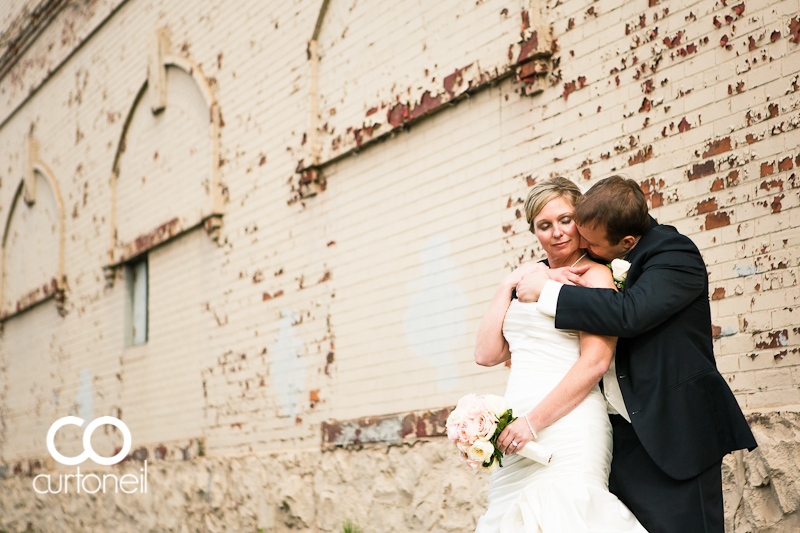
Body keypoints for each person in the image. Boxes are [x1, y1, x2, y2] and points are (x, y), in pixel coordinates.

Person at [515, 176, 757, 533]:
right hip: (614, 435)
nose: (583, 246)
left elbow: (629, 314)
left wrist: (549, 293)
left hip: (673, 430)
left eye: (591, 243)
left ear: (625, 242)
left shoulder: (675, 254)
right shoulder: (589, 259)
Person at [473, 177, 647, 532]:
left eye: (565, 219)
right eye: (544, 225)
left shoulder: (594, 277)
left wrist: (532, 422)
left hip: (567, 427)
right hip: (517, 434)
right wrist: (509, 283)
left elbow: (595, 362)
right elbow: (486, 354)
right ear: (534, 231)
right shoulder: (526, 279)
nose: (557, 232)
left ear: (580, 219)